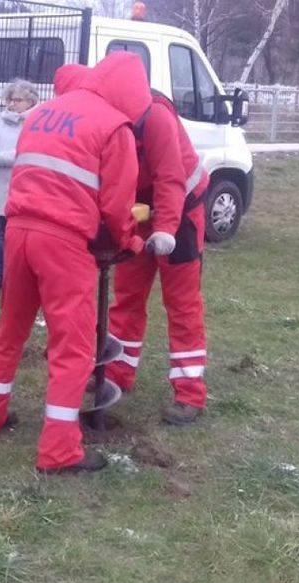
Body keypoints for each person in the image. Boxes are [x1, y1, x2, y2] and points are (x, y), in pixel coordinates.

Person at [0, 52, 150, 474]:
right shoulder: (114, 126)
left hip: (17, 229)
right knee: (75, 347)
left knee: (10, 330)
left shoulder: (41, 113)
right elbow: (118, 202)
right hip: (64, 242)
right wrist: (130, 241)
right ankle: (59, 450)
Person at [106, 87, 210, 426]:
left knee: (182, 303)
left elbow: (170, 179)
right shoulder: (107, 117)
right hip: (140, 214)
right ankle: (119, 372)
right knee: (127, 296)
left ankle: (189, 393)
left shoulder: (156, 117)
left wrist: (165, 227)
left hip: (180, 215)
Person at [0, 78, 39, 291]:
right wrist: (8, 158)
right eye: (10, 99)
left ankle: (19, 277)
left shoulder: (36, 122)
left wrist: (1, 157)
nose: (12, 104)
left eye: (17, 100)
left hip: (24, 190)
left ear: (30, 101)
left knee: (20, 238)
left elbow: (30, 152)